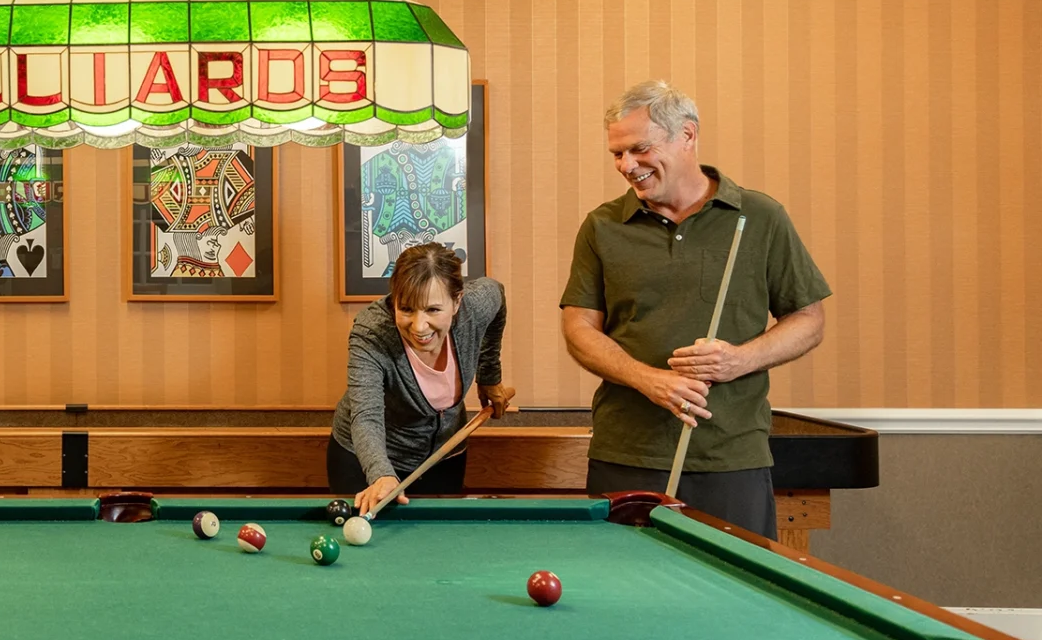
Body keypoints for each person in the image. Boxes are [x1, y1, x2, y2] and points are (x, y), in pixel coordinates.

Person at [560, 80, 830, 538]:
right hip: (626, 453)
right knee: (625, 599)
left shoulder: (760, 218)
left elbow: (809, 320)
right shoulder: (602, 226)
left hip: (730, 455)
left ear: (686, 135)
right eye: (617, 154)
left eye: (639, 149)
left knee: (738, 598)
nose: (627, 165)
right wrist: (649, 380)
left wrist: (738, 360)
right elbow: (579, 328)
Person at [330, 244, 515, 517]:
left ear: (457, 302)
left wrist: (489, 376)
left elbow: (497, 294)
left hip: (444, 456)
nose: (418, 326)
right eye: (406, 309)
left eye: (432, 310)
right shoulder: (372, 332)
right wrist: (381, 474)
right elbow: (366, 415)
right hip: (366, 460)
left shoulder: (475, 307)